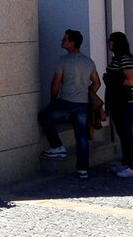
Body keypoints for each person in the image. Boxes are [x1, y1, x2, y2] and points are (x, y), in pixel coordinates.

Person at [38, 29, 101, 180]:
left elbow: (55, 83)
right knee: (81, 136)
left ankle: (57, 146)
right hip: (82, 103)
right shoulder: (88, 61)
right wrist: (88, 92)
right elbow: (97, 83)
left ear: (72, 43)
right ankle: (82, 170)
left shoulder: (63, 61)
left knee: (44, 116)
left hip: (66, 101)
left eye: (65, 39)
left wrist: (53, 100)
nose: (62, 41)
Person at [105, 31, 133, 178]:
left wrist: (113, 80)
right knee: (122, 133)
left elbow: (131, 80)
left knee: (126, 133)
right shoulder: (116, 58)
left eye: (111, 41)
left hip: (126, 101)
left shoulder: (124, 59)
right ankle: (125, 163)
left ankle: (130, 166)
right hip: (117, 101)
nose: (108, 43)